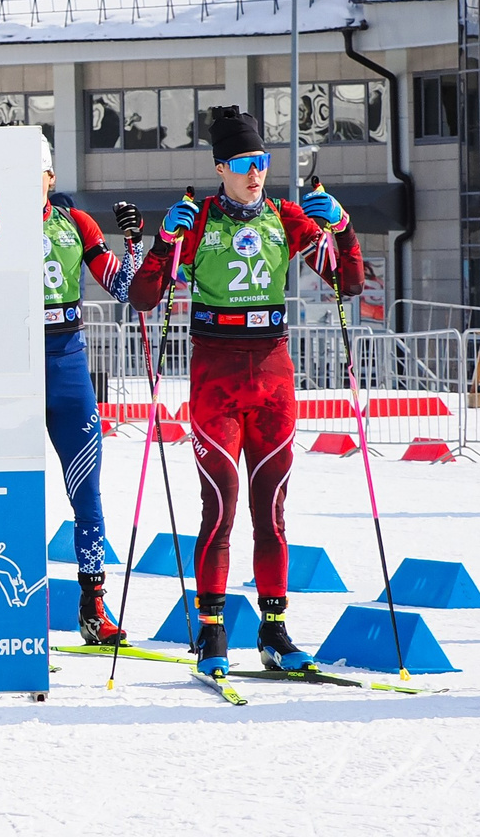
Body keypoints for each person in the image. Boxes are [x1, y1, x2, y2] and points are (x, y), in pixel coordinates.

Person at [125, 107, 360, 679]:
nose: (256, 174)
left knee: (271, 509)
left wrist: (344, 226)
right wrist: (162, 241)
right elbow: (144, 298)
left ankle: (274, 631)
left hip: (274, 373)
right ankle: (210, 633)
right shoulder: (199, 219)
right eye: (244, 165)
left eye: (263, 163)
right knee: (222, 504)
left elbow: (347, 282)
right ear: (220, 167)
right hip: (216, 373)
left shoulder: (286, 216)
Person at [40, 139, 141, 645]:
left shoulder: (75, 223)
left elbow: (123, 288)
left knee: (87, 491)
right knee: (6, 485)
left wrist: (134, 244)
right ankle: (5, 603)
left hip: (66, 361)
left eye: (38, 173)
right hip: (12, 368)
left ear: (51, 178)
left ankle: (93, 605)